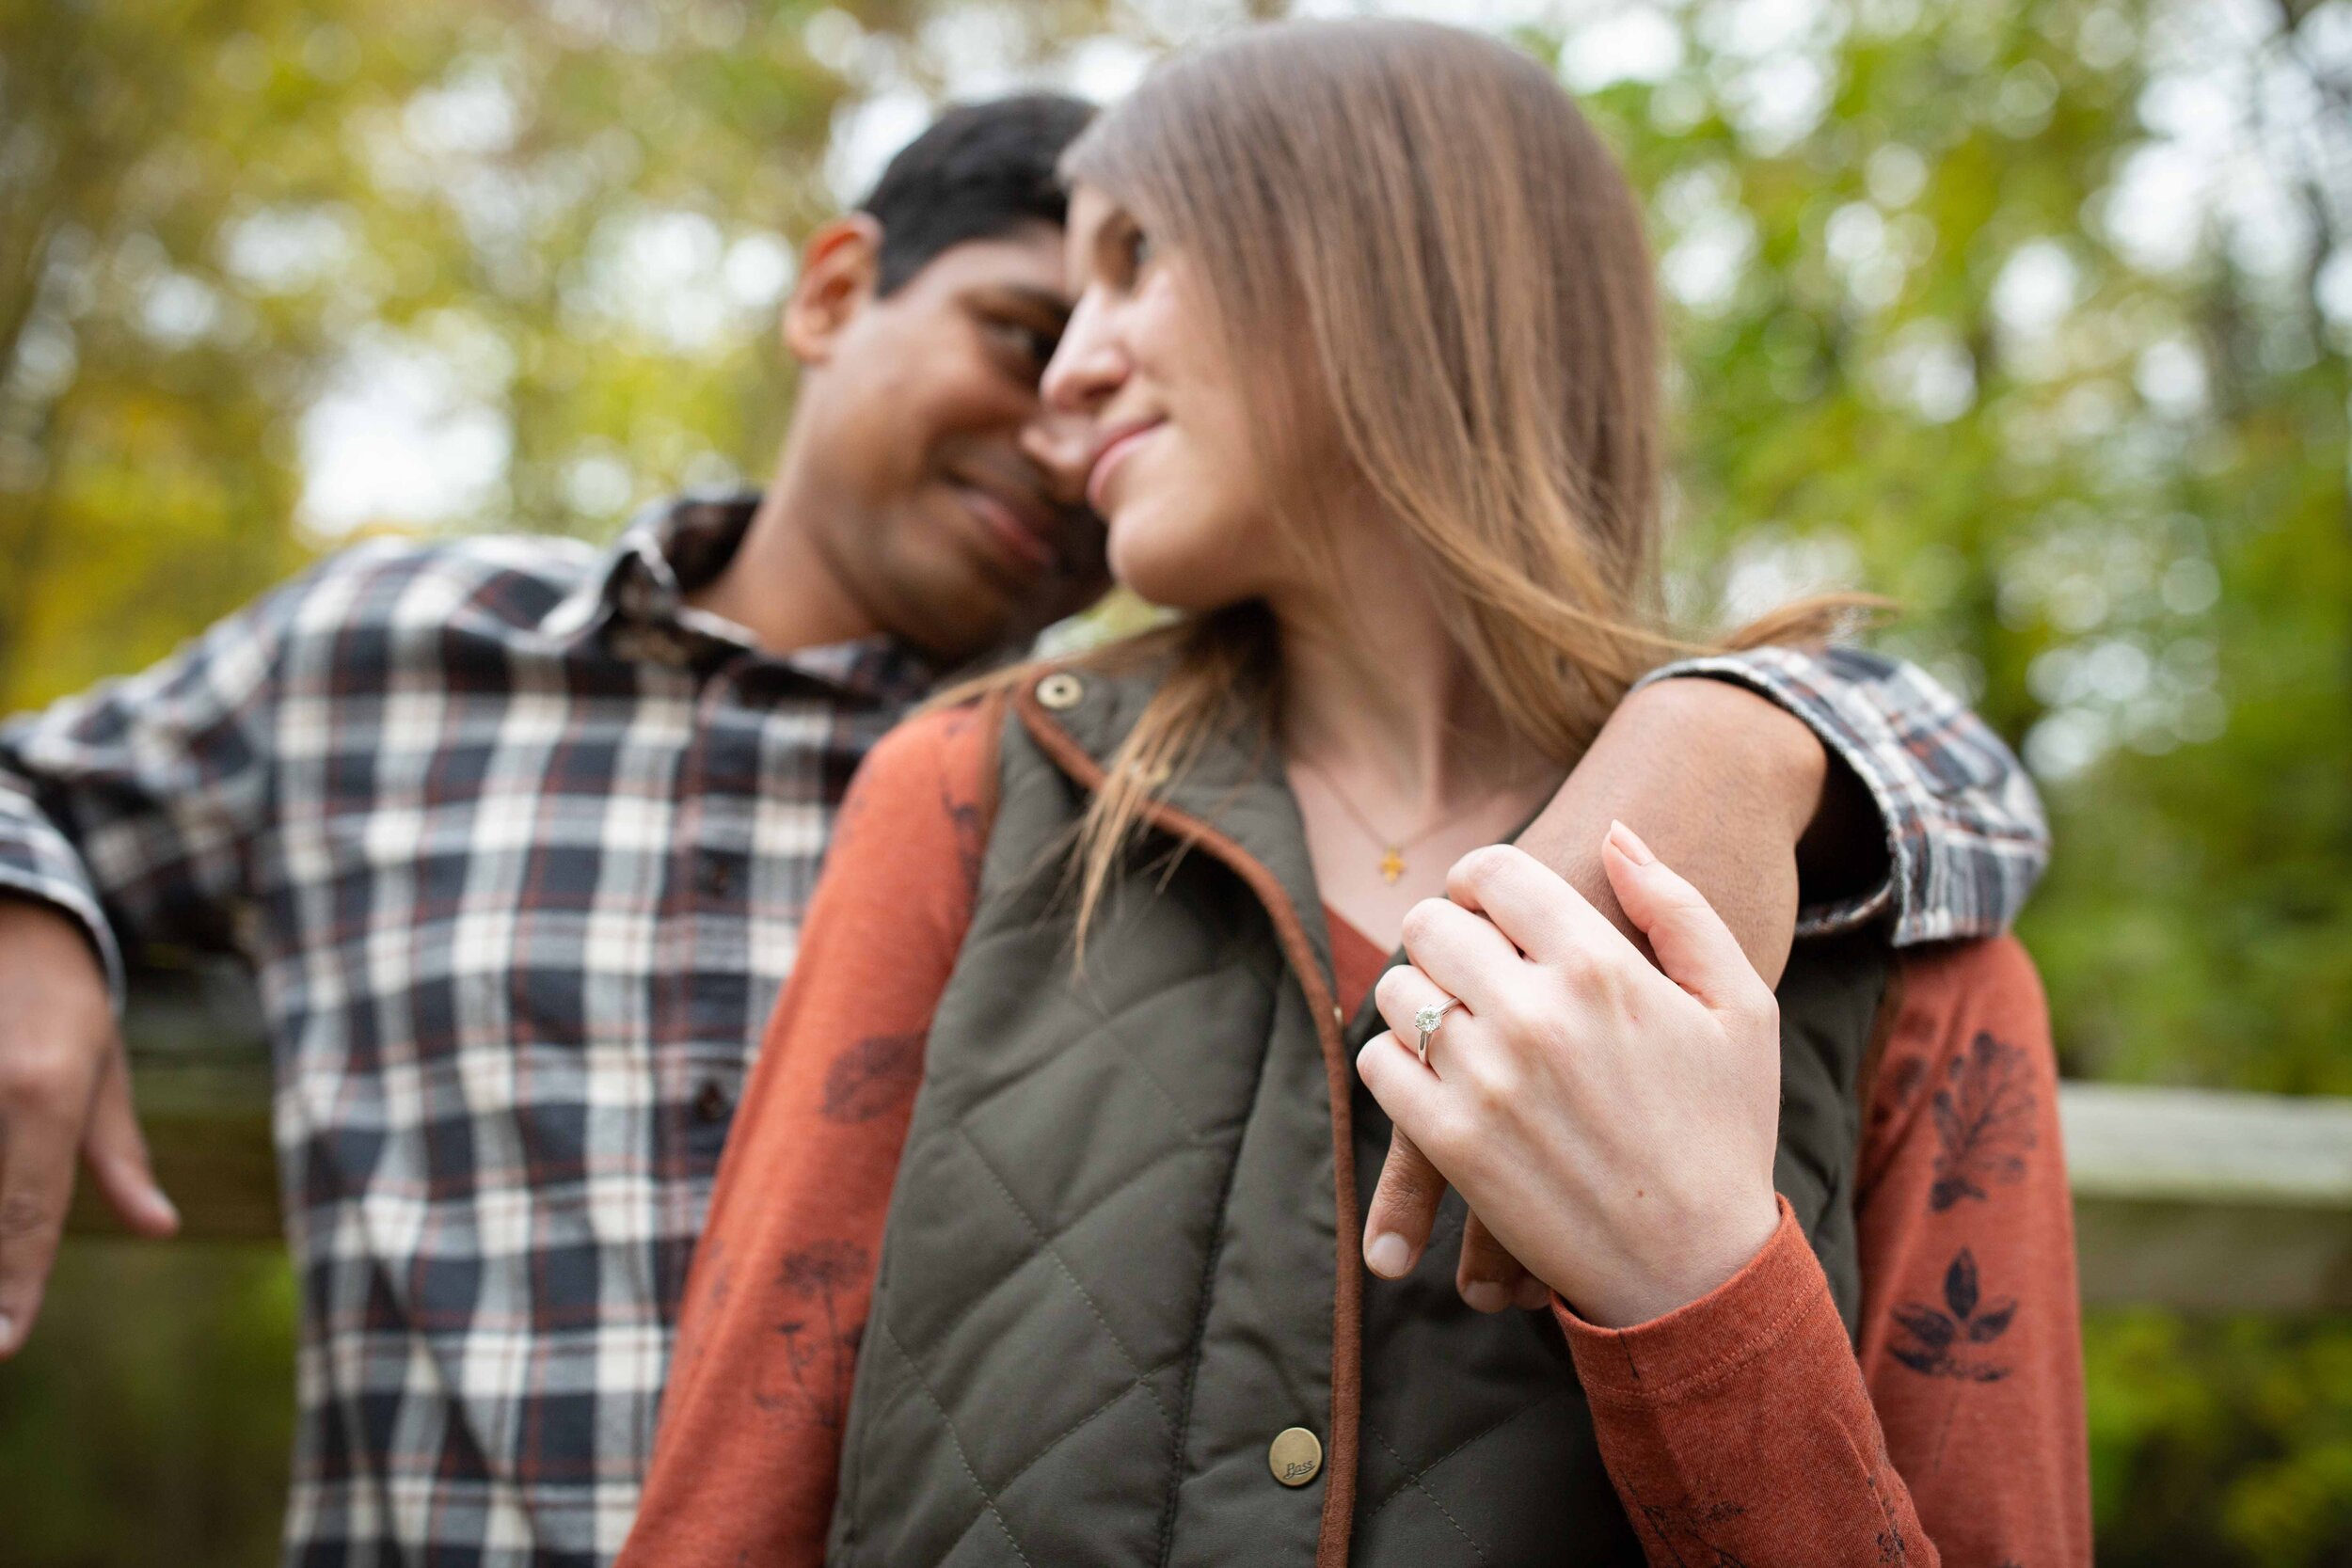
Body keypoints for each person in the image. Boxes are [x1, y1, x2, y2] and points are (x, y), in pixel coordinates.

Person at [0, 89, 2047, 1568]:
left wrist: (1756, 726)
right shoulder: (455, 668)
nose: (1067, 404)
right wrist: (30, 919)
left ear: (1370, 281)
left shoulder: (1830, 831)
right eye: (1021, 321)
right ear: (829, 296)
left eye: (1131, 287)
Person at [618, 22, 2087, 1568]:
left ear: (1378, 259)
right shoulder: (969, 797)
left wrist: (1693, 1278)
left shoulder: (1887, 921)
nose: (1070, 370)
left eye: (1134, 260)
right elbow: (725, 1513)